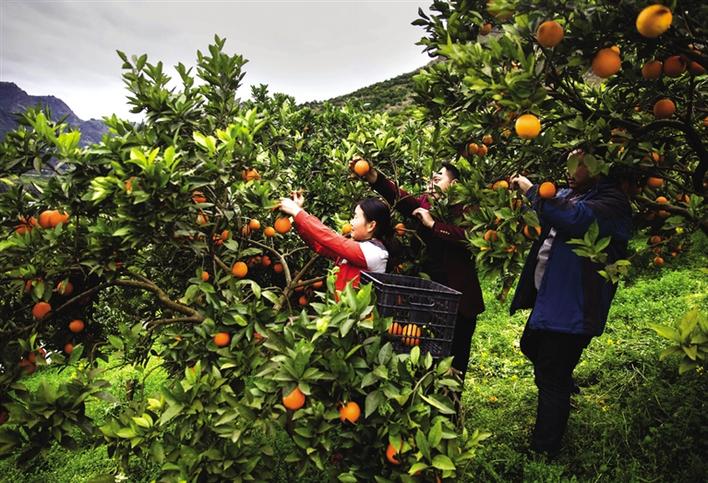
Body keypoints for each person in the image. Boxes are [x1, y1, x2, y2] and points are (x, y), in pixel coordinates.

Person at [509, 154, 633, 456]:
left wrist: (532, 190)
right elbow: (551, 209)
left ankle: (543, 451)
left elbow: (575, 218)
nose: (569, 172)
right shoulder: (568, 194)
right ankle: (563, 386)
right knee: (530, 346)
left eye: (576, 164)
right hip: (552, 300)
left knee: (551, 376)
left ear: (597, 166)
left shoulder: (612, 202)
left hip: (574, 305)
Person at [350, 157, 485, 375]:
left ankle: (452, 403)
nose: (431, 180)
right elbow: (405, 201)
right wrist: (374, 178)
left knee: (455, 359)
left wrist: (434, 225)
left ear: (454, 185)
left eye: (438, 177)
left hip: (459, 300)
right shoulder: (425, 204)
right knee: (427, 353)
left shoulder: (465, 209)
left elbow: (472, 238)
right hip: (429, 296)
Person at [278, 191, 394, 292]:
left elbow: (329, 238)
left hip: (358, 316)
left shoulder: (375, 252)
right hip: (340, 313)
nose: (351, 222)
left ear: (371, 225)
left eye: (356, 217)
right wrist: (297, 218)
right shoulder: (356, 247)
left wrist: (297, 211)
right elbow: (319, 246)